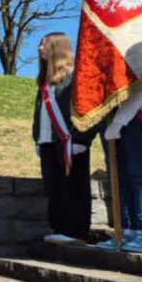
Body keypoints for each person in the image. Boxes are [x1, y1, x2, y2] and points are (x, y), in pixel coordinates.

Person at [33, 33, 93, 246]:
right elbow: (40, 112)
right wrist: (38, 139)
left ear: (58, 48)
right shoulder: (46, 80)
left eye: (45, 44)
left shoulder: (75, 76)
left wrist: (82, 140)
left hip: (71, 142)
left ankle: (76, 231)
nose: (40, 48)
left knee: (73, 187)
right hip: (48, 141)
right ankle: (58, 227)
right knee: (53, 186)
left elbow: (87, 109)